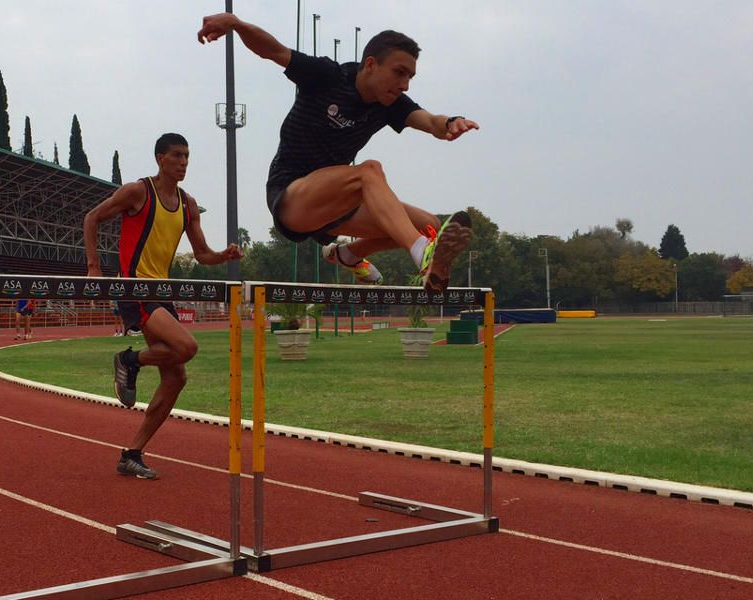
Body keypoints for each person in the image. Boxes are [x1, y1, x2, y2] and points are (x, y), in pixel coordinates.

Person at [198, 14, 478, 292]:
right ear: (370, 64)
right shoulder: (328, 76)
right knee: (369, 172)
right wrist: (235, 24)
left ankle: (348, 254)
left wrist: (451, 122)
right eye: (399, 72)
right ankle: (421, 254)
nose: (404, 84)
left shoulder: (391, 104)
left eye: (410, 76)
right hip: (292, 196)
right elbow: (274, 50)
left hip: (336, 206)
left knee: (428, 225)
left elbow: (430, 122)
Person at [83, 132, 243, 479]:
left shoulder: (188, 204)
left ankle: (132, 453)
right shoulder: (137, 192)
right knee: (187, 346)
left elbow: (202, 255)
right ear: (160, 158)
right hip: (135, 288)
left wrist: (224, 255)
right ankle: (129, 359)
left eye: (187, 156)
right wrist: (94, 267)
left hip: (162, 291)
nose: (183, 162)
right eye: (177, 155)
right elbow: (92, 218)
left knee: (176, 377)